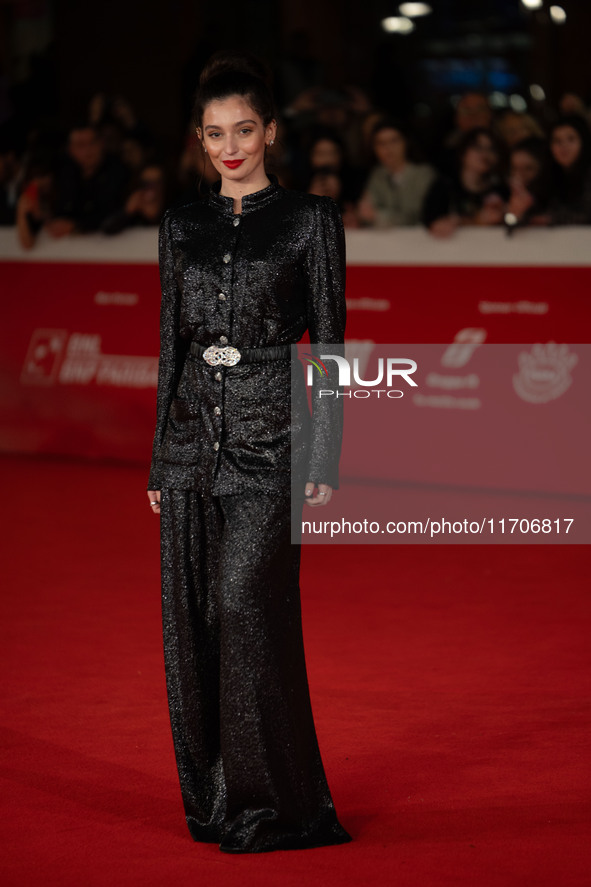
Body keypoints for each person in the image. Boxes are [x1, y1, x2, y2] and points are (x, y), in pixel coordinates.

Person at [146, 49, 352, 854]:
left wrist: (325, 458)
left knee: (244, 605)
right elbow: (169, 343)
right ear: (200, 143)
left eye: (243, 130)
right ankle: (220, 798)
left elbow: (329, 343)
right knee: (196, 620)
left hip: (274, 440)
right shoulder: (180, 226)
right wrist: (162, 454)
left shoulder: (310, 220)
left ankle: (280, 804)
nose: (230, 146)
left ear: (269, 130)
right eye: (213, 135)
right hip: (193, 439)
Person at [422, 127, 508, 237]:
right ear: (463, 152)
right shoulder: (445, 186)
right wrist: (472, 220)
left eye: (491, 149)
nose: (485, 154)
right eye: (478, 147)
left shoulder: (500, 189)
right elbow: (431, 221)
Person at [356, 118, 436, 227]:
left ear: (406, 142)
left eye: (394, 141)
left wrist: (378, 216)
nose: (388, 148)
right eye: (381, 143)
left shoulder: (423, 174)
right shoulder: (377, 175)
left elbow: (420, 217)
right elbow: (367, 210)